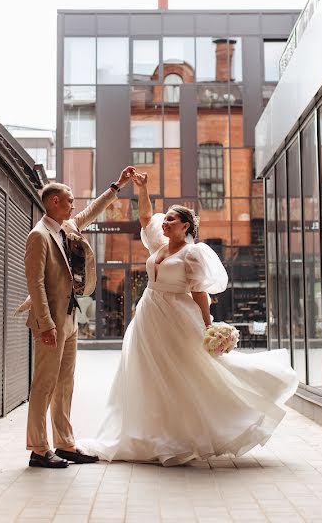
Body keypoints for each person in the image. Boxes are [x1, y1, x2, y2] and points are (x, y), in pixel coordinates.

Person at [83, 172, 298, 465]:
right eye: (166, 219)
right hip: (149, 315)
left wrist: (209, 327)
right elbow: (145, 218)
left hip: (176, 316)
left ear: (185, 225)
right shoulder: (158, 245)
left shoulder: (192, 253)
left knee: (186, 372)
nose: (165, 222)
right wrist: (143, 188)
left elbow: (199, 294)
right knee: (146, 372)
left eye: (171, 219)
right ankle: (150, 433)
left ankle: (194, 432)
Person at [22, 166, 136, 468]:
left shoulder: (66, 228)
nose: (74, 205)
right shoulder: (39, 236)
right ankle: (38, 448)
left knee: (65, 384)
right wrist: (46, 324)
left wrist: (118, 185)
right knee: (44, 384)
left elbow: (92, 211)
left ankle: (65, 443)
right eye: (69, 200)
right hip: (51, 323)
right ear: (53, 202)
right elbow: (35, 284)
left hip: (70, 320)